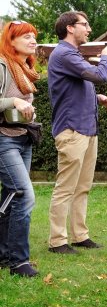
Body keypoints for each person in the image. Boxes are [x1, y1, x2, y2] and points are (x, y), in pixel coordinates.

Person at [47, 11, 107, 254]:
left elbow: (75, 88)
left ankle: (80, 235)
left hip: (87, 129)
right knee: (66, 187)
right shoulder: (64, 54)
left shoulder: (72, 55)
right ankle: (57, 241)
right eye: (85, 25)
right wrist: (106, 57)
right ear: (70, 28)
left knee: (83, 187)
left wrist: (98, 98)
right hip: (72, 130)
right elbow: (100, 75)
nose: (89, 29)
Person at [0, 21, 41, 277]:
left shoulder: (27, 68)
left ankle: (4, 255)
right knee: (23, 195)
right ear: (10, 40)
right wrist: (13, 100)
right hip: (4, 139)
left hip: (23, 137)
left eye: (33, 36)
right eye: (25, 36)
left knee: (11, 197)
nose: (32, 40)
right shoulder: (2, 65)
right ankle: (19, 262)